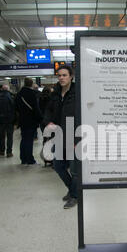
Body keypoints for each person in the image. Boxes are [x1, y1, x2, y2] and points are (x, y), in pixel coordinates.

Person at [43, 65, 78, 209]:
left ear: (71, 76)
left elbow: (84, 115)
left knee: (75, 170)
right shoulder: (55, 94)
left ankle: (75, 196)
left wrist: (78, 140)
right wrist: (48, 121)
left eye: (64, 75)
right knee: (58, 165)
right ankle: (73, 190)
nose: (61, 78)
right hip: (59, 134)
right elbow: (48, 111)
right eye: (59, 75)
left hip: (74, 134)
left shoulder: (78, 93)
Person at [15, 78, 42, 165]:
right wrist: (40, 119)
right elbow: (36, 108)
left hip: (22, 120)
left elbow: (16, 108)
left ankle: (23, 159)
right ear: (31, 84)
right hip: (31, 120)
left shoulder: (19, 94)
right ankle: (30, 160)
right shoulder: (32, 94)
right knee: (29, 140)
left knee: (23, 139)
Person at [0, 84, 15, 157]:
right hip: (9, 120)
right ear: (8, 89)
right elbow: (14, 109)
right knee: (10, 136)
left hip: (1, 120)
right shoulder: (11, 97)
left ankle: (1, 151)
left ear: (2, 89)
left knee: (2, 136)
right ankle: (9, 152)